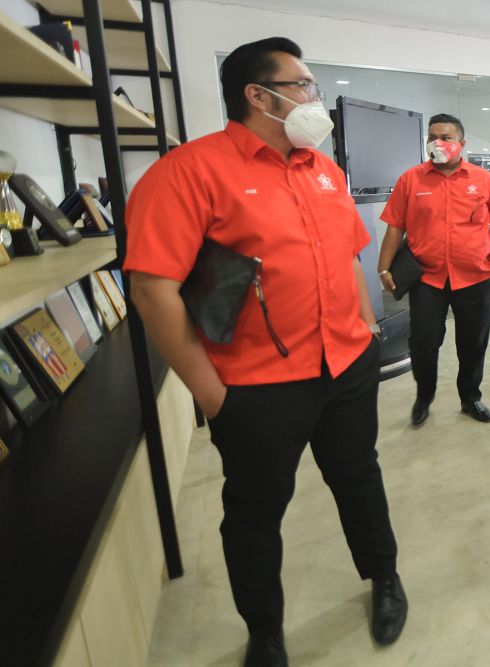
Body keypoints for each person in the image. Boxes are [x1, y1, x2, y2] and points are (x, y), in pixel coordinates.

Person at [124, 37, 407, 666]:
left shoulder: (325, 170)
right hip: (255, 386)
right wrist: (212, 395)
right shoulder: (188, 171)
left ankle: (383, 578)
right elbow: (151, 288)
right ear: (260, 96)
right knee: (255, 510)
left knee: (359, 479)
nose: (315, 98)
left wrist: (365, 332)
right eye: (303, 85)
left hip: (345, 366)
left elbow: (346, 257)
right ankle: (265, 631)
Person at [378, 113, 490, 427]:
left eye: (445, 137)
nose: (438, 143)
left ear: (461, 143)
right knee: (424, 342)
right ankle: (424, 396)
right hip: (428, 279)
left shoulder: (483, 180)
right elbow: (394, 227)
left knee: (473, 342)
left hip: (476, 276)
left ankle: (470, 397)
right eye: (432, 137)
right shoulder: (411, 179)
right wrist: (383, 268)